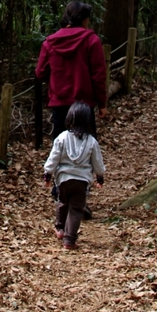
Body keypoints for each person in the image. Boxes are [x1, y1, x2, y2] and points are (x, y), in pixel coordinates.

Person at [35, 0, 107, 140]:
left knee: (60, 150)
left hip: (59, 103)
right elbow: (98, 75)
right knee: (86, 149)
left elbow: (40, 72)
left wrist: (56, 80)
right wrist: (102, 104)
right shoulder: (91, 40)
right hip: (84, 106)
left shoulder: (50, 43)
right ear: (83, 19)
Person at [43, 101, 105, 249]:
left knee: (62, 201)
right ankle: (70, 240)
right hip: (81, 181)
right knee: (76, 209)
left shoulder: (62, 138)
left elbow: (53, 158)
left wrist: (48, 174)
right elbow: (97, 162)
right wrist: (100, 176)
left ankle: (60, 228)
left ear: (70, 118)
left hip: (63, 179)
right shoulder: (92, 142)